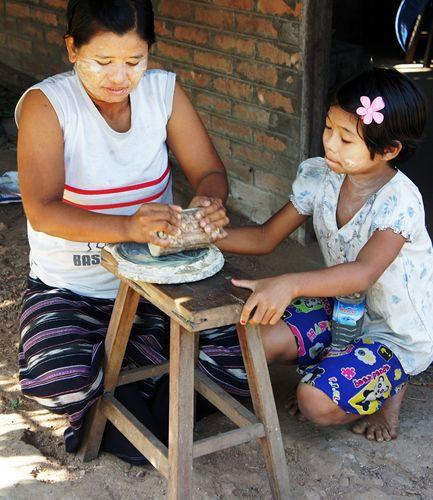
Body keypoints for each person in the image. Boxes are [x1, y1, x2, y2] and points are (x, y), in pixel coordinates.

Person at [16, 0, 248, 456]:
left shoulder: (163, 92)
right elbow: (41, 210)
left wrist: (209, 200)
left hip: (154, 286)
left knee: (239, 364)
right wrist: (128, 226)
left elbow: (208, 171)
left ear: (150, 54)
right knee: (55, 375)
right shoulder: (49, 105)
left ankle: (125, 397)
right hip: (71, 289)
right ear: (71, 49)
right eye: (103, 61)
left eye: (134, 61)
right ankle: (154, 390)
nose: (119, 77)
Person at [217, 67, 433, 442]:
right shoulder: (322, 177)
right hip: (343, 307)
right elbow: (266, 237)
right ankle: (341, 366)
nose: (330, 144)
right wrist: (199, 238)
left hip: (392, 332)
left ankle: (391, 390)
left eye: (346, 139)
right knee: (255, 340)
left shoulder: (400, 201)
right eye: (329, 128)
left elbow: (364, 272)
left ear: (389, 150)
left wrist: (289, 284)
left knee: (315, 403)